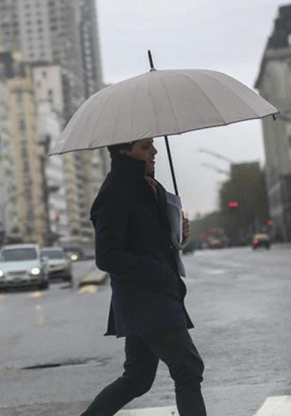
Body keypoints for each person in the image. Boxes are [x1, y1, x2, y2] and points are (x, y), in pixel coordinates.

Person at [81, 138, 207, 416]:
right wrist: (157, 271)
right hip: (146, 300)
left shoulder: (148, 186)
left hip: (155, 297)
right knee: (188, 368)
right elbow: (107, 256)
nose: (154, 151)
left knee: (137, 378)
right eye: (145, 146)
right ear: (124, 151)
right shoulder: (114, 193)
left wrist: (177, 232)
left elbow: (151, 238)